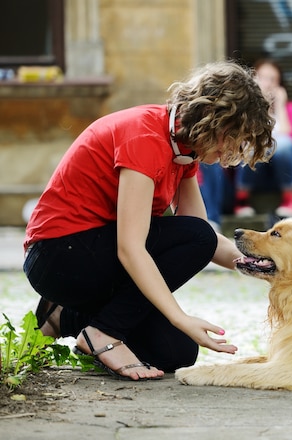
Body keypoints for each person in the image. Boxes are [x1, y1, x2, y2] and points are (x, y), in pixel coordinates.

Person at [23, 61, 275, 380]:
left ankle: (63, 317)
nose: (236, 152)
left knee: (177, 352)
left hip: (91, 257)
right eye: (238, 138)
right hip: (59, 255)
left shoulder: (183, 150)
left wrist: (270, 266)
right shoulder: (145, 137)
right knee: (196, 242)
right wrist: (180, 316)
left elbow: (198, 238)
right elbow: (132, 247)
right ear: (217, 123)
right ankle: (102, 333)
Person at [234, 59, 292, 217]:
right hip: (254, 172)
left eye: (273, 79)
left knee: (284, 144)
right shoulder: (243, 108)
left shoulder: (291, 109)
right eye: (263, 77)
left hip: (281, 173)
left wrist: (279, 105)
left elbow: (290, 140)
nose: (267, 83)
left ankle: (289, 198)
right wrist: (258, 104)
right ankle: (242, 198)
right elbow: (244, 138)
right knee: (252, 144)